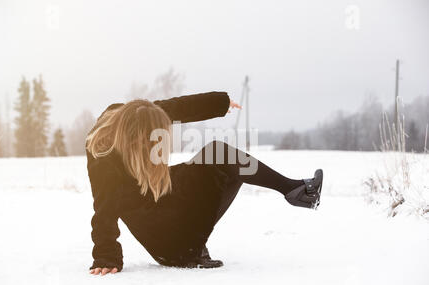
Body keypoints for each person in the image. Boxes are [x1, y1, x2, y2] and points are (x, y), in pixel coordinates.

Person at [86, 91, 323, 275]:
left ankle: (295, 190)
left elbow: (175, 106)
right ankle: (187, 250)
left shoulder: (130, 113)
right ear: (134, 137)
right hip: (164, 239)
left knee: (217, 153)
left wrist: (219, 103)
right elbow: (104, 209)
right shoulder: (102, 155)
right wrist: (106, 256)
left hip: (164, 201)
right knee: (213, 160)